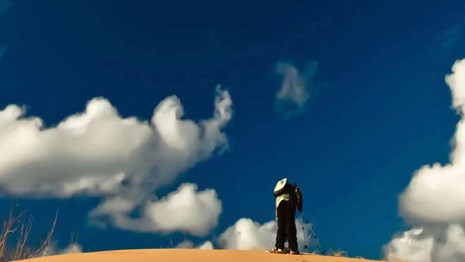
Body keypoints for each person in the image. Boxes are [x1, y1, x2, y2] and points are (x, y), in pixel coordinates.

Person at [271, 177, 301, 254]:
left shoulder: (278, 194)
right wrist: (298, 207)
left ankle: (279, 247)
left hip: (280, 208)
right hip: (289, 205)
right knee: (290, 226)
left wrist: (277, 216)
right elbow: (298, 199)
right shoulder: (291, 189)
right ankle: (293, 248)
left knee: (281, 227)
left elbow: (277, 205)